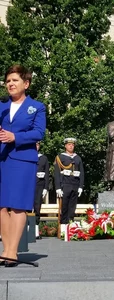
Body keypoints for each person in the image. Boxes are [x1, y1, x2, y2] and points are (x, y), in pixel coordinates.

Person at [0, 65, 46, 266]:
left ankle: (12, 252)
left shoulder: (37, 107)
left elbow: (39, 133)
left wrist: (15, 137)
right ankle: (6, 249)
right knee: (1, 206)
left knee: (18, 205)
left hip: (23, 159)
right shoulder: (1, 107)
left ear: (26, 83)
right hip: (2, 159)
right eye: (8, 80)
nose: (10, 83)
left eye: (14, 80)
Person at [54, 138, 84, 232]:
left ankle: (70, 227)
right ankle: (63, 228)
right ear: (65, 146)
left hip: (75, 184)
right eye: (69, 145)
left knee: (72, 207)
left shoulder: (77, 158)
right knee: (64, 207)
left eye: (72, 145)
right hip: (65, 184)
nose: (71, 146)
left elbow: (82, 172)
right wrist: (58, 187)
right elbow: (57, 173)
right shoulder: (60, 157)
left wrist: (80, 186)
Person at [34, 141, 49, 239]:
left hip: (39, 185)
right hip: (28, 185)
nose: (36, 146)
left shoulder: (43, 158)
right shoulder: (27, 156)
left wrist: (45, 188)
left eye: (38, 144)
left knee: (37, 207)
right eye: (35, 144)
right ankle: (26, 230)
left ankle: (35, 231)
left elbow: (47, 174)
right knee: (26, 208)